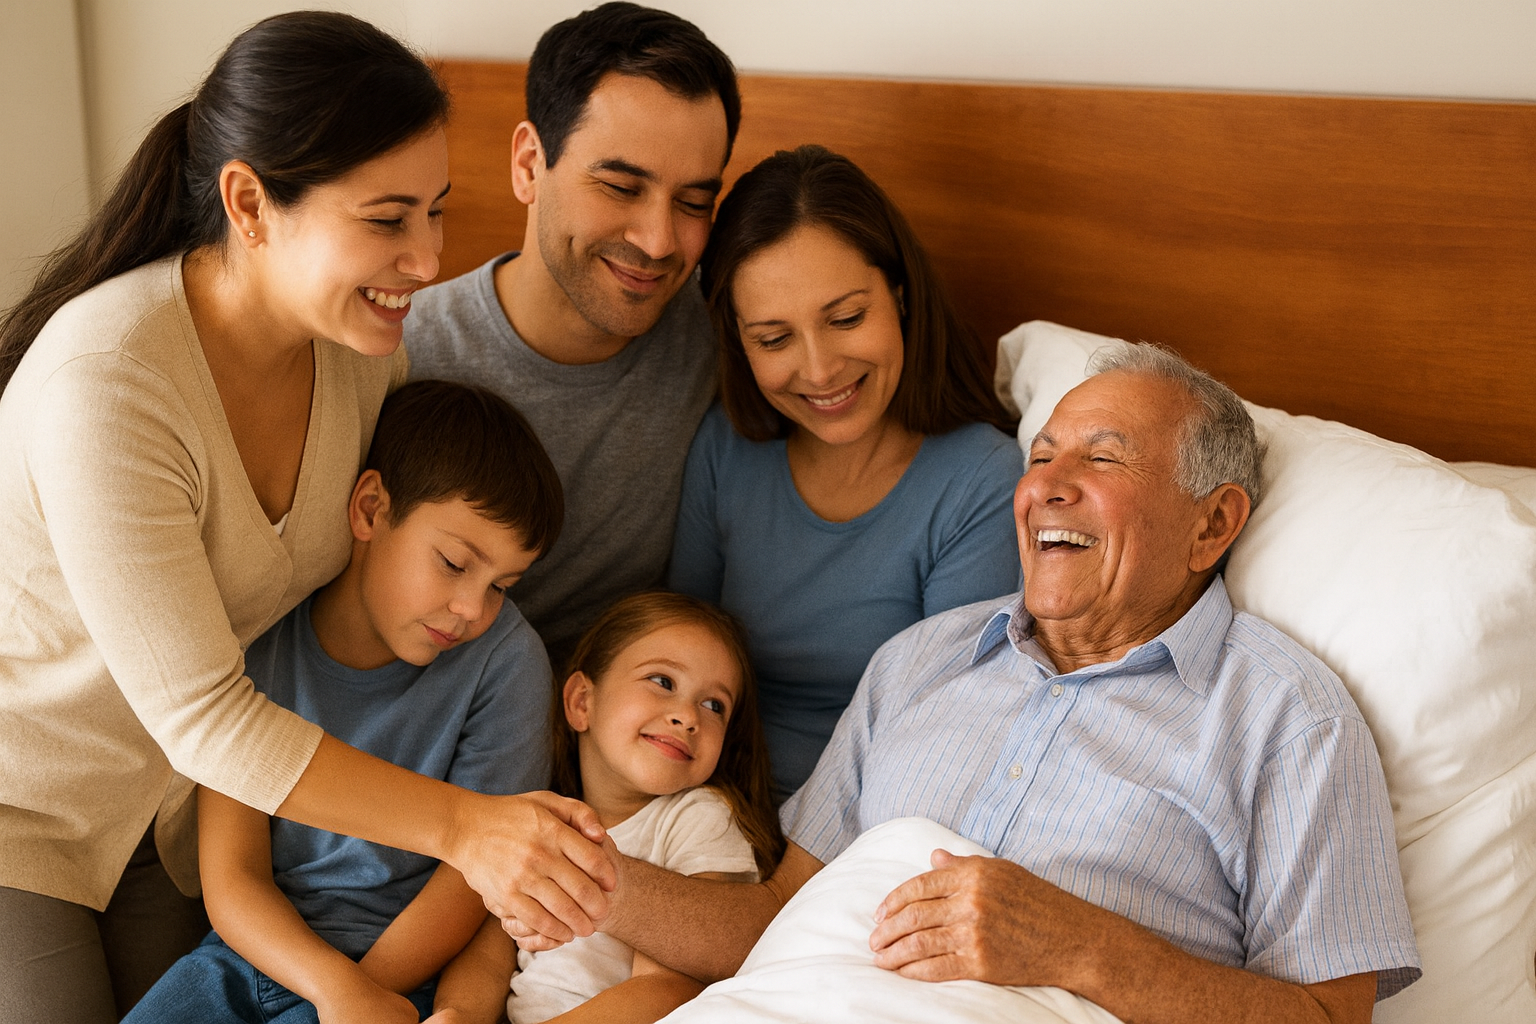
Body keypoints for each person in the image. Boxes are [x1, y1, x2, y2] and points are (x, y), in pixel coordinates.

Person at [0, 15, 610, 1023]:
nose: (427, 258)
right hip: (28, 808)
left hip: (180, 821)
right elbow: (207, 715)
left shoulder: (365, 359)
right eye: (387, 219)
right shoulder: (110, 385)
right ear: (249, 203)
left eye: (435, 213)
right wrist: (470, 828)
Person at [530, 344, 1424, 1024]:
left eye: (1102, 460)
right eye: (1041, 458)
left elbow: (1328, 1018)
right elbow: (775, 919)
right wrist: (577, 873)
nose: (1047, 489)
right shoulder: (918, 661)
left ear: (1213, 524)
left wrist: (1081, 948)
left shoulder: (1289, 720)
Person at [123, 380, 563, 1024]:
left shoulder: (507, 661)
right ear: (370, 509)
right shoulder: (261, 637)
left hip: (402, 975)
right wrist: (329, 989)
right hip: (252, 957)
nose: (473, 608)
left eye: (502, 585)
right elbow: (234, 877)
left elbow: (473, 883)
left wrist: (358, 995)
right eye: (453, 563)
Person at [669, 146, 1023, 799]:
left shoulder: (982, 482)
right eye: (774, 339)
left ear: (899, 295)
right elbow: (672, 653)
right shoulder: (726, 447)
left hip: (869, 821)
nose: (821, 369)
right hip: (702, 800)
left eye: (846, 318)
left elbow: (946, 734)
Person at [405, 2, 739, 666]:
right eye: (620, 187)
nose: (659, 241)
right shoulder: (402, 357)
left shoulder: (729, 333)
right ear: (530, 164)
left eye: (694, 203)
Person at [461, 592, 781, 1024]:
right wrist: (457, 1013)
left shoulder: (698, 818)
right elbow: (486, 957)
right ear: (582, 702)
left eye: (714, 706)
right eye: (663, 681)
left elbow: (667, 988)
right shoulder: (544, 818)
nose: (689, 717)